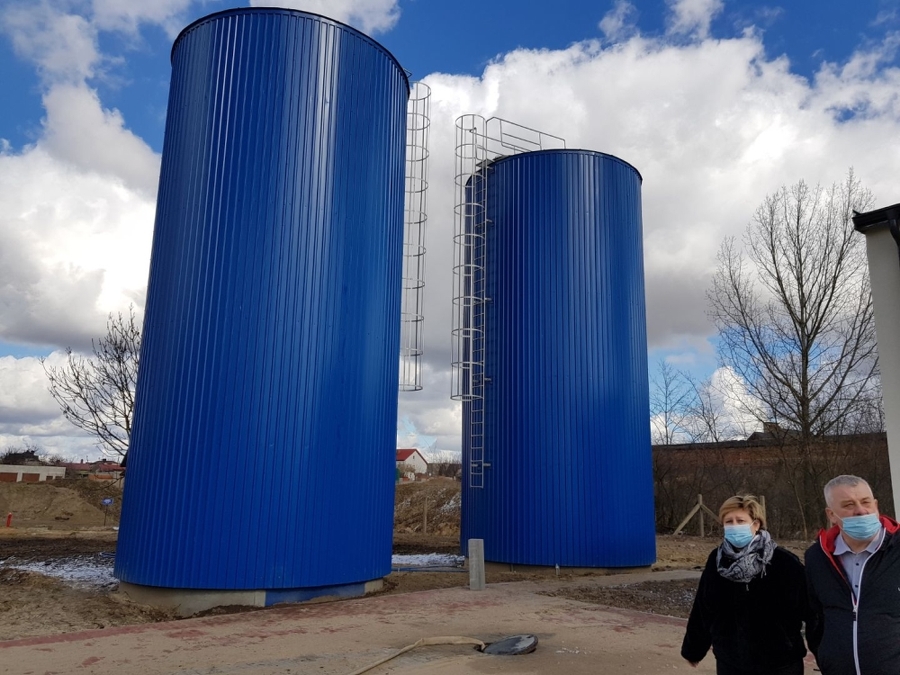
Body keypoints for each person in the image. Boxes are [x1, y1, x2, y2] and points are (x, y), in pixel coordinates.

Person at [681, 495, 808, 675]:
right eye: (729, 521)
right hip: (731, 660)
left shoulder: (783, 562)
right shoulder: (718, 561)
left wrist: (824, 653)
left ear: (756, 524)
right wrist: (694, 649)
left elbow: (810, 608)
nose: (734, 526)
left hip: (780, 662)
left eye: (740, 521)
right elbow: (703, 607)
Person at [805, 475, 900, 675]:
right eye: (849, 505)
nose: (861, 510)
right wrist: (827, 657)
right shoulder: (817, 557)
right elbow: (816, 616)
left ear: (876, 505)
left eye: (866, 502)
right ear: (831, 515)